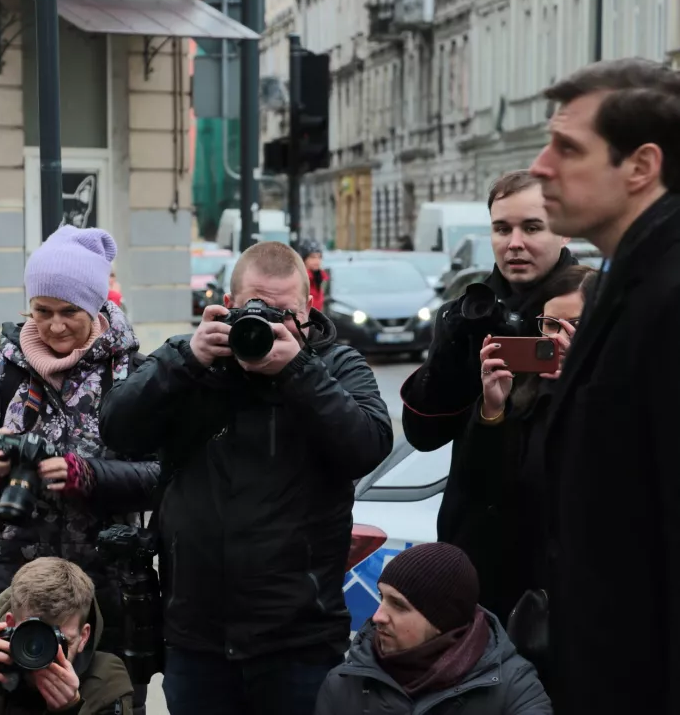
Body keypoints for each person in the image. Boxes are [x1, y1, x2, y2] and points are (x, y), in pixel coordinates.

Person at [99, 241, 393, 715]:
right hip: (197, 638)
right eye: (259, 310)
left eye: (286, 314)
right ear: (229, 304)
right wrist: (187, 360)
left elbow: (368, 446)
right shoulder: (191, 360)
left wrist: (299, 371)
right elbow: (117, 428)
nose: (272, 326)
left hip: (299, 639)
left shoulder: (335, 365)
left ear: (308, 308)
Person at [0, 225, 158, 711]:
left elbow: (161, 477)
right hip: (7, 578)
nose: (55, 327)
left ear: (96, 307)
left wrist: (89, 476)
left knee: (102, 701)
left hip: (103, 581)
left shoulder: (134, 376)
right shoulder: (3, 370)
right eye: (42, 311)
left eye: (69, 312)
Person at [526, 58, 680, 714]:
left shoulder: (669, 297)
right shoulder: (619, 284)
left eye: (567, 148)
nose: (540, 166)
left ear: (641, 166)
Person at [435, 265, 597, 628]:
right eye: (550, 325)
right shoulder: (523, 397)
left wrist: (582, 383)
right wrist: (492, 408)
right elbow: (482, 488)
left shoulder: (615, 393)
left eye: (575, 325)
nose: (559, 338)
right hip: (517, 599)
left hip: (585, 597)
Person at [400, 170, 575, 451]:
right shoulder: (466, 315)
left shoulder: (600, 304)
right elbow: (423, 436)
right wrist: (451, 351)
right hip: (480, 477)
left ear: (564, 231)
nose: (514, 243)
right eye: (502, 229)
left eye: (532, 228)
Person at [315, 543, 552, 714]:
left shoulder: (513, 688)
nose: (377, 616)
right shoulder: (345, 683)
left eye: (398, 605)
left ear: (443, 621)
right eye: (382, 598)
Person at [0, 557, 133, 715]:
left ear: (84, 636)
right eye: (31, 637)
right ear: (10, 623)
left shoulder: (106, 680)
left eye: (60, 642)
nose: (43, 656)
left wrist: (71, 708)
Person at [297, 239, 327, 312]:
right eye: (313, 257)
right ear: (304, 258)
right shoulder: (300, 279)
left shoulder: (319, 277)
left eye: (319, 257)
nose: (317, 261)